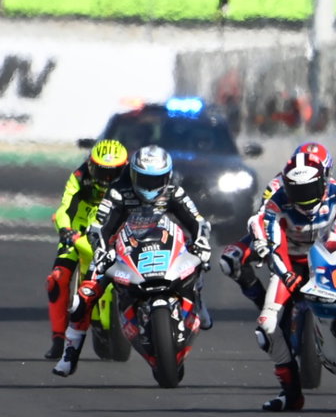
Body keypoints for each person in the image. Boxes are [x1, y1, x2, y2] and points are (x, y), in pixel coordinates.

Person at [57, 145, 214, 377]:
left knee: (199, 260)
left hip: (164, 243)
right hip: (123, 248)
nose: (150, 186)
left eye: (156, 180)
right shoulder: (117, 192)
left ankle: (198, 301)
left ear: (167, 176)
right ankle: (69, 354)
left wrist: (201, 241)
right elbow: (100, 226)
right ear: (132, 173)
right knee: (84, 298)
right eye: (144, 179)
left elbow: (197, 221)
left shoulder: (174, 190)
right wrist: (102, 250)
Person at [249, 147, 336, 412]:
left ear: (324, 181)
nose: (304, 197)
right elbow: (272, 245)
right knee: (266, 326)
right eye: (296, 190)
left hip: (333, 261)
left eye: (310, 188)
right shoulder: (276, 203)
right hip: (293, 267)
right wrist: (286, 274)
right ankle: (291, 394)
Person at [44, 139, 129, 364]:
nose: (107, 179)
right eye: (102, 172)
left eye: (114, 173)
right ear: (91, 166)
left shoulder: (132, 179)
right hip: (80, 228)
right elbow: (65, 208)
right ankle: (59, 339)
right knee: (58, 277)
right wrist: (65, 230)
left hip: (115, 228)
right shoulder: (79, 177)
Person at [220, 141, 331, 312]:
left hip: (319, 240)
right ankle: (263, 303)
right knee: (230, 259)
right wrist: (264, 241)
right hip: (284, 238)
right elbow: (263, 217)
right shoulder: (276, 185)